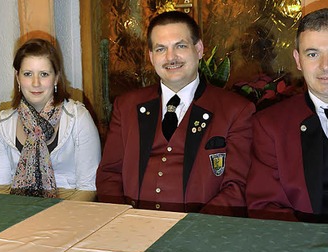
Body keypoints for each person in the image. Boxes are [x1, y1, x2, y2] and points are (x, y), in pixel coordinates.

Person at [96, 11, 255, 216]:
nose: (171, 57)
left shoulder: (236, 110)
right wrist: (123, 221)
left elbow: (237, 186)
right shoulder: (126, 106)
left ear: (198, 49)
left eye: (180, 46)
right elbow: (109, 175)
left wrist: (191, 230)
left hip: (200, 234)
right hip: (133, 229)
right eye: (161, 49)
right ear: (152, 57)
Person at [247, 8, 328, 226]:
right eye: (312, 54)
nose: (326, 66)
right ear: (298, 60)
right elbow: (266, 207)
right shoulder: (270, 125)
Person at [0, 38, 100, 201]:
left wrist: (52, 221)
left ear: (56, 78)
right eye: (28, 74)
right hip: (15, 213)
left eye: (44, 74)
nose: (36, 83)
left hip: (70, 214)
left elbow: (88, 188)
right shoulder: (4, 122)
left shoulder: (78, 118)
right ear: (18, 78)